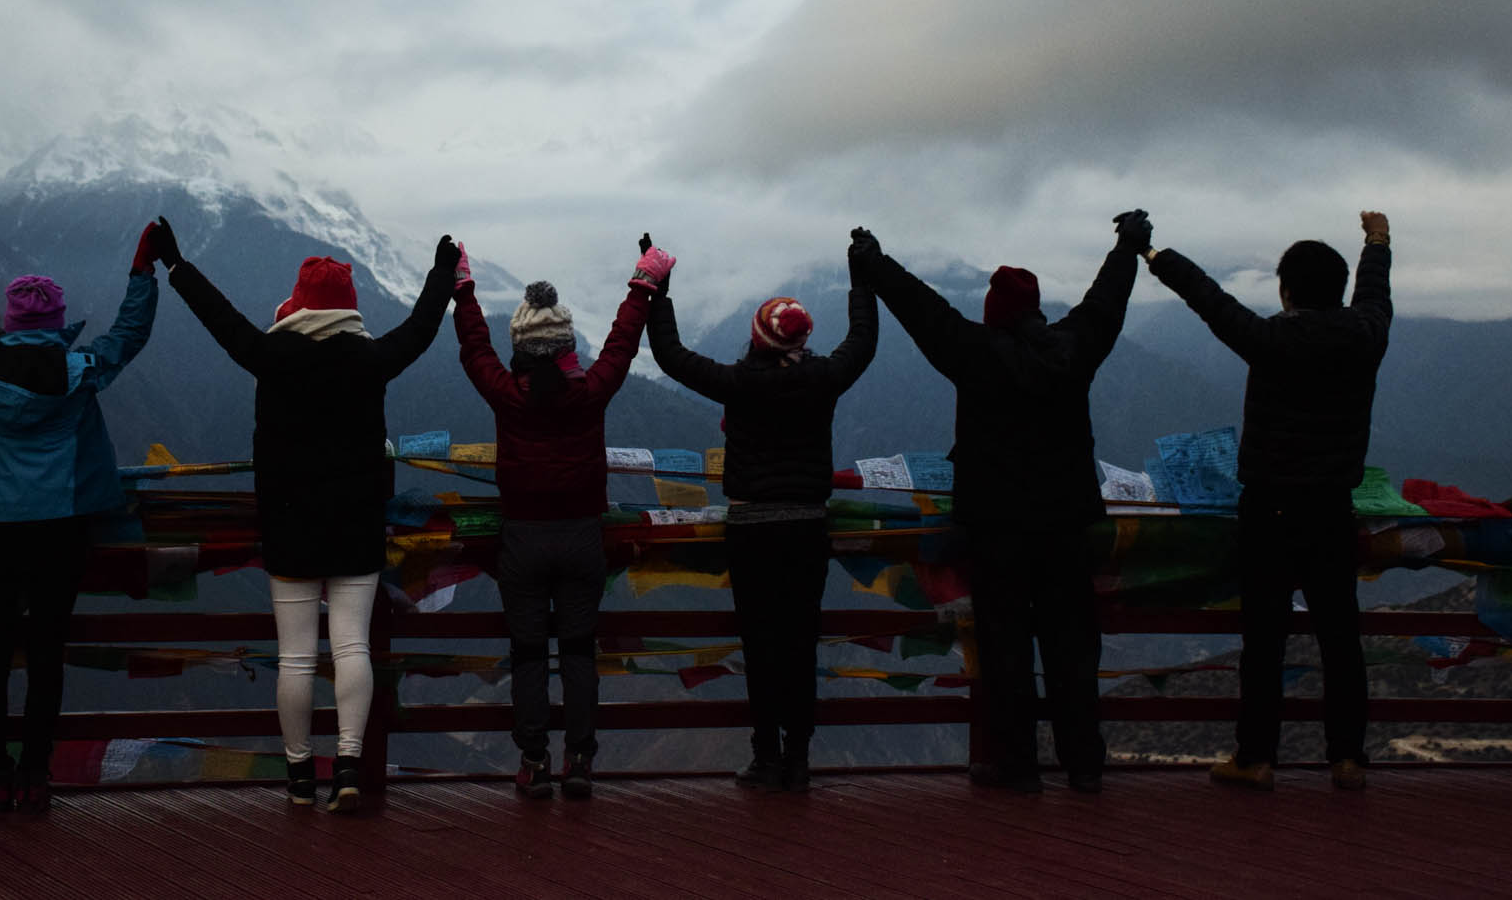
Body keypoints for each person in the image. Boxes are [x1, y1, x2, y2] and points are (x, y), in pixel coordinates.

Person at [151, 216, 457, 814]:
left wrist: (176, 265)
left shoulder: (270, 354)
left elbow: (221, 318)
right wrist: (442, 273)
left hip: (289, 524)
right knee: (352, 649)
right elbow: (420, 329)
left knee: (294, 657)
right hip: (356, 526)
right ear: (346, 308)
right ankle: (346, 764)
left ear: (301, 305)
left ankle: (297, 775)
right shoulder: (370, 360)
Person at [850, 214, 1149, 794]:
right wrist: (1127, 245)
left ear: (993, 311)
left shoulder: (973, 352)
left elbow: (922, 309)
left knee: (1007, 649)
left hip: (996, 532)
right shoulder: (1074, 348)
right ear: (1036, 309)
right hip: (1066, 528)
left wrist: (874, 262)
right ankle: (1084, 764)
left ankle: (1017, 768)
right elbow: (1106, 300)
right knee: (1071, 648)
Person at [0, 223, 161, 813]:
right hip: (61, 531)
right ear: (57, 323)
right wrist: (142, 274)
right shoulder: (81, 371)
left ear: (10, 320)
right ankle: (35, 774)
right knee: (47, 655)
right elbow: (130, 333)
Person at [1143, 211, 1393, 791]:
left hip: (1270, 509)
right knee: (1339, 638)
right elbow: (1375, 293)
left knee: (1264, 640)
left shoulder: (1269, 339)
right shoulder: (1365, 337)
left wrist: (1154, 256)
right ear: (1337, 290)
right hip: (1332, 507)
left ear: (1286, 291)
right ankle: (1348, 758)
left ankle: (1255, 757)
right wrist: (1377, 240)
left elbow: (1209, 299)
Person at [644, 235, 877, 792]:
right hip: (805, 528)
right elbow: (862, 342)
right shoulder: (823, 379)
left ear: (757, 339)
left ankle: (765, 755)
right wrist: (861, 281)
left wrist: (659, 293)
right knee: (799, 644)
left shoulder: (738, 384)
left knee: (760, 643)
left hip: (751, 531)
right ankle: (798, 757)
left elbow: (671, 356)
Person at [451, 236, 676, 798]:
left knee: (528, 655)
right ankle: (580, 760)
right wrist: (641, 284)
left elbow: (475, 348)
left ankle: (534, 762)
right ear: (568, 343)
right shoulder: (590, 393)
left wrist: (464, 288)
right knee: (578, 651)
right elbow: (624, 343)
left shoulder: (507, 395)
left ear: (521, 349)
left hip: (522, 541)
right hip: (582, 539)